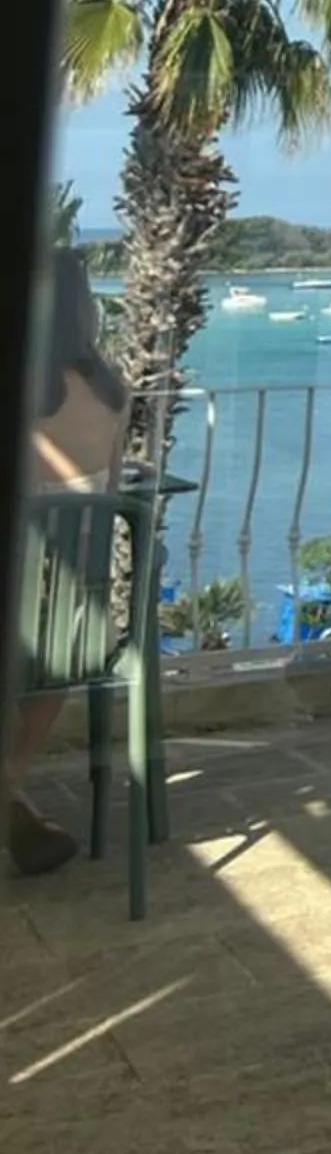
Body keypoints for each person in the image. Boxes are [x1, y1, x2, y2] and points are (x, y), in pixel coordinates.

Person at [7, 251, 129, 877]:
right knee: (52, 671)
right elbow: (109, 496)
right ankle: (11, 786)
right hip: (73, 626)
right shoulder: (113, 395)